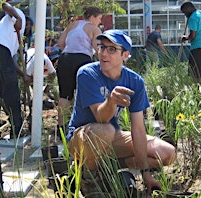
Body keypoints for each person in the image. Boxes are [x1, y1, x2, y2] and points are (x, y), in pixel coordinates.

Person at [66, 30, 176, 196]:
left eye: (111, 49)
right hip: (82, 139)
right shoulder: (87, 73)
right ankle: (88, 180)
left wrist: (145, 173)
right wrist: (111, 101)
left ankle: (107, 169)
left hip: (110, 138)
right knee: (106, 130)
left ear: (125, 55)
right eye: (102, 47)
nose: (103, 53)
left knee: (167, 153)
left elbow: (138, 129)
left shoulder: (135, 81)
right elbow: (101, 117)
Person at [56, 6, 103, 131]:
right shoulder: (94, 28)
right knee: (84, 93)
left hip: (65, 59)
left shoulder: (72, 25)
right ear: (92, 17)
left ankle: (60, 127)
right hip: (82, 59)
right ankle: (82, 126)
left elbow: (60, 42)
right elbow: (98, 48)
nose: (100, 22)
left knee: (64, 95)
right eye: (99, 18)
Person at [0, 2, 26, 138]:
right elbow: (5, 5)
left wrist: (24, 75)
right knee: (11, 90)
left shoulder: (10, 36)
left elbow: (11, 62)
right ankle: (16, 128)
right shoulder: (20, 16)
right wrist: (18, 18)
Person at [180, 1, 201, 84]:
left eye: (185, 12)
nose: (185, 14)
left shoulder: (193, 18)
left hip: (198, 48)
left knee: (195, 73)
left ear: (189, 9)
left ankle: (197, 92)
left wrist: (185, 38)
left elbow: (192, 36)